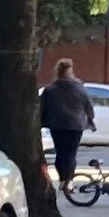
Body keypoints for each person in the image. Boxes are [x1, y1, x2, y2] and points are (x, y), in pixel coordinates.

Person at [41, 60, 97, 189]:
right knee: (71, 153)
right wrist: (90, 117)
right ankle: (69, 181)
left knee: (60, 153)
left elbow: (43, 107)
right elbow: (88, 104)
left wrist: (43, 121)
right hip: (75, 125)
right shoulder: (78, 87)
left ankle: (62, 179)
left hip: (57, 125)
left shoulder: (50, 89)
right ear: (71, 72)